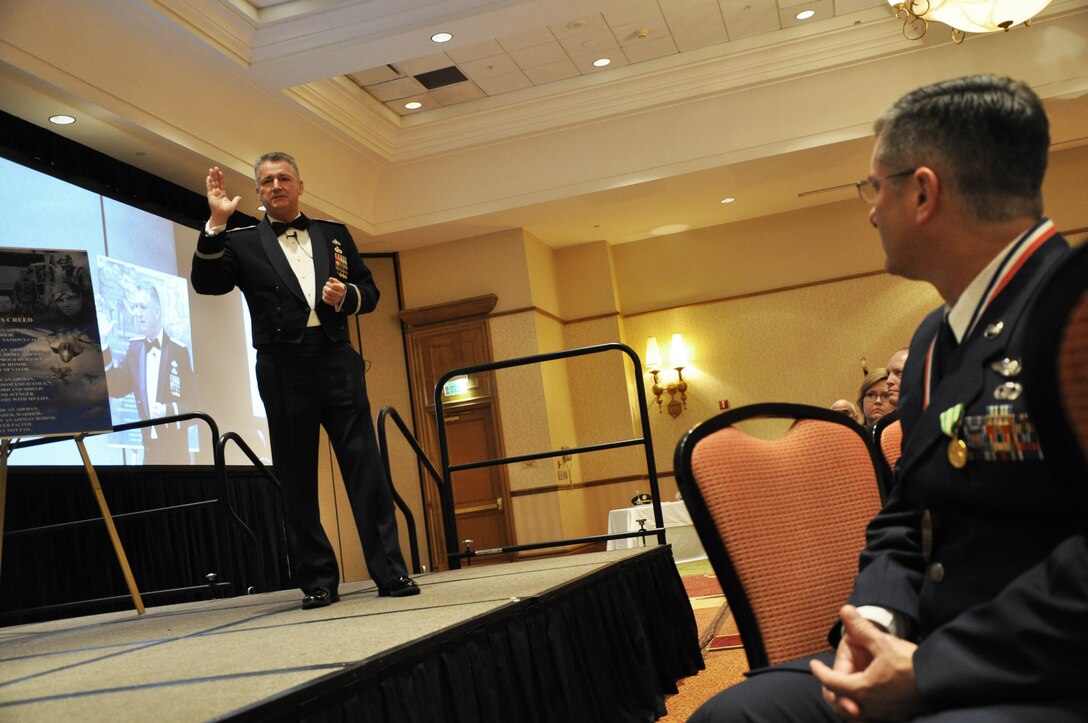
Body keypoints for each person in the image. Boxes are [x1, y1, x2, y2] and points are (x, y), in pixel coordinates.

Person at [690, 75, 1086, 721]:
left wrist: (933, 668)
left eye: (877, 187)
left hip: (1041, 672)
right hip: (922, 646)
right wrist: (875, 621)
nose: (872, 210)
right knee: (732, 715)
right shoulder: (934, 335)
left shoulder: (1074, 313)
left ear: (923, 191)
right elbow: (906, 514)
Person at [191, 152, 418, 609]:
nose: (276, 185)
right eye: (267, 181)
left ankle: (390, 573)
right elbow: (207, 283)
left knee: (366, 468)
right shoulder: (242, 241)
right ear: (257, 192)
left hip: (336, 359)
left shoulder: (334, 235)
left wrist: (348, 295)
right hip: (282, 366)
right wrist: (215, 223)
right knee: (296, 478)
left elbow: (370, 292)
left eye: (284, 178)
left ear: (300, 185)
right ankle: (317, 581)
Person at [103, 281, 197, 464]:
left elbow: (195, 404)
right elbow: (116, 388)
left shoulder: (179, 350)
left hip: (177, 455)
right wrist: (105, 345)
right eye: (135, 307)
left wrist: (167, 411)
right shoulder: (135, 348)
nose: (137, 313)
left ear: (157, 311)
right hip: (149, 453)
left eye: (143, 307)